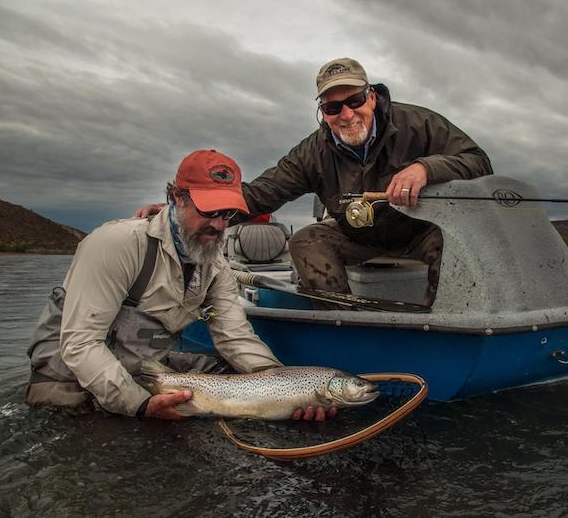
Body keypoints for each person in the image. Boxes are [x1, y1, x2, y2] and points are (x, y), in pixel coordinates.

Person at [138, 58, 493, 305]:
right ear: (322, 110)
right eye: (333, 107)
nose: (347, 114)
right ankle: (344, 321)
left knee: (451, 239)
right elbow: (261, 194)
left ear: (371, 96)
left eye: (354, 100)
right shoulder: (312, 152)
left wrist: (426, 168)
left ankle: (443, 324)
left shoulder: (420, 123)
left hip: (422, 230)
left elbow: (477, 162)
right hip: (359, 237)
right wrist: (186, 211)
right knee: (307, 239)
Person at [27, 149, 333, 420]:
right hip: (68, 375)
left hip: (142, 367)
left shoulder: (216, 268)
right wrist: (141, 405)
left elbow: (235, 339)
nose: (218, 224)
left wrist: (286, 390)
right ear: (176, 198)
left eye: (227, 213)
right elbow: (80, 344)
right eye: (209, 211)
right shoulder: (115, 245)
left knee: (224, 369)